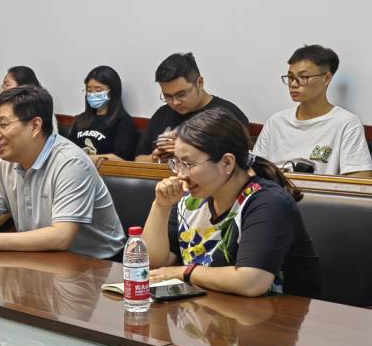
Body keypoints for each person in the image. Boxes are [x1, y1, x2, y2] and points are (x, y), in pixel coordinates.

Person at [0, 84, 124, 259]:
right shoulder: (7, 161)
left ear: (35, 126)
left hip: (97, 264)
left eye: (3, 125)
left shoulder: (70, 162)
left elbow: (61, 236)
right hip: (41, 256)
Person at [141, 106, 321, 298]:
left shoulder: (268, 202)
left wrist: (183, 272)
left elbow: (251, 281)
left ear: (227, 162)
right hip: (209, 308)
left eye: (188, 164)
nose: (180, 174)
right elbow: (154, 264)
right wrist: (161, 206)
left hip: (275, 312)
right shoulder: (191, 199)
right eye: (176, 163)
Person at [254, 44, 372, 177]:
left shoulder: (346, 123)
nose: (293, 84)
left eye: (303, 77)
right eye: (291, 77)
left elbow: (360, 178)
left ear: (326, 78)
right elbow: (254, 170)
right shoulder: (276, 122)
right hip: (275, 190)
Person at [137, 52, 250, 162]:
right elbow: (137, 160)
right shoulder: (162, 114)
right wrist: (154, 158)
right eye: (168, 96)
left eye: (181, 95)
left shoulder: (227, 115)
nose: (175, 102)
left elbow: (239, 164)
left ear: (200, 83)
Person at [68, 65, 139, 161]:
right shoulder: (81, 119)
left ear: (112, 91)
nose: (92, 94)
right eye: (89, 90)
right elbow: (68, 150)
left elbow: (121, 159)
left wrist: (86, 159)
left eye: (98, 90)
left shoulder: (123, 122)